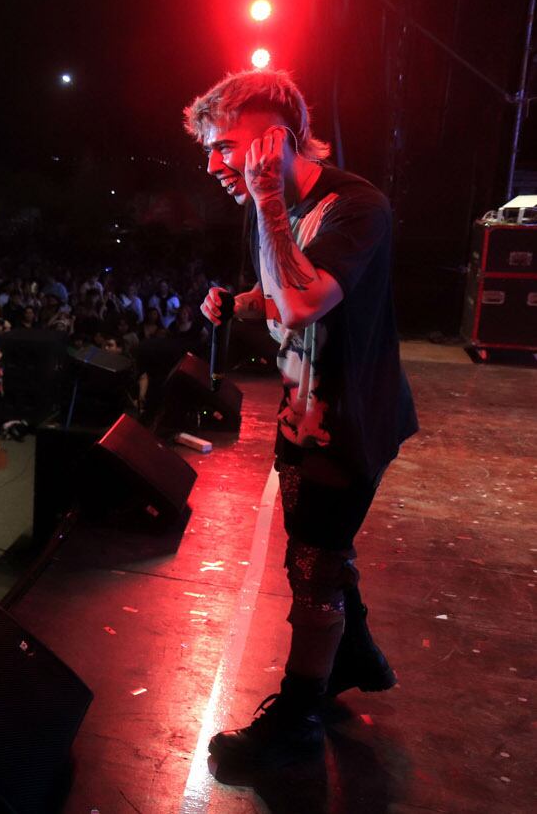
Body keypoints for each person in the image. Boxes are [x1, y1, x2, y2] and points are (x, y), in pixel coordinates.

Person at [185, 68, 418, 773]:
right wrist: (241, 300)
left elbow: (306, 301)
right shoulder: (278, 205)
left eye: (224, 145)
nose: (213, 164)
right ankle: (356, 654)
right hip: (302, 406)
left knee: (314, 562)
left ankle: (298, 716)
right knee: (314, 545)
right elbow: (284, 290)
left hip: (348, 418)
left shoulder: (359, 205)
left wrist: (268, 205)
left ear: (276, 136)